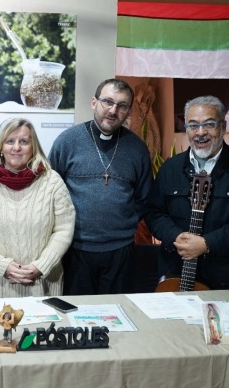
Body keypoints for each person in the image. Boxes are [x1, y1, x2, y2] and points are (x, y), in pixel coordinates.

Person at [145, 95, 229, 290]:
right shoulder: (170, 168)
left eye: (209, 124)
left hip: (225, 277)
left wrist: (208, 243)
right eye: (193, 126)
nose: (200, 132)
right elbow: (154, 212)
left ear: (223, 126)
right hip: (174, 274)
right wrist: (175, 236)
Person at [49, 78, 152, 295]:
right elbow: (50, 193)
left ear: (128, 111)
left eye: (122, 106)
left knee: (117, 313)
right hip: (74, 248)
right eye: (108, 102)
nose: (113, 110)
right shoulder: (67, 141)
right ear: (94, 102)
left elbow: (144, 198)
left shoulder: (137, 149)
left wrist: (123, 223)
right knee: (76, 313)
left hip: (120, 251)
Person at [0, 118, 75, 298]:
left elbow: (64, 228)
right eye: (10, 141)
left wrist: (41, 266)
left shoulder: (52, 181)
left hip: (43, 285)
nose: (16, 147)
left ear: (33, 147)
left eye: (24, 141)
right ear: (2, 147)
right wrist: (2, 266)